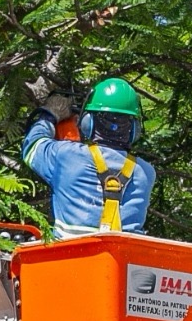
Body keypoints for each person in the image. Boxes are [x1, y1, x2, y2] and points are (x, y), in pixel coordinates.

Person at [22, 77, 158, 237]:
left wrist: (50, 114)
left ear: (88, 121)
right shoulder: (146, 173)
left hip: (68, 257)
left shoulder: (66, 156)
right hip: (124, 258)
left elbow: (32, 144)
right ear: (135, 128)